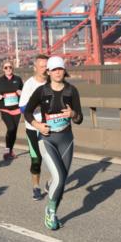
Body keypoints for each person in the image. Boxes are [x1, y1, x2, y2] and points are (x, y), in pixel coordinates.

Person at [23, 56, 82, 231]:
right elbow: (27, 112)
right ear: (48, 72)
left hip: (66, 139)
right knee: (60, 177)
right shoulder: (42, 91)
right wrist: (37, 125)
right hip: (47, 139)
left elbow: (79, 118)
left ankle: (53, 209)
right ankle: (49, 211)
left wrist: (72, 115)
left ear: (64, 71)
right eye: (54, 69)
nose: (57, 72)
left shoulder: (72, 91)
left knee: (62, 180)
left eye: (60, 69)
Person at [20, 54, 49, 200]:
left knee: (54, 158)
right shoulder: (29, 84)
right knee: (36, 159)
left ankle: (50, 182)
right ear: (35, 68)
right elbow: (23, 108)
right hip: (33, 127)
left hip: (51, 126)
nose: (45, 69)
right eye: (42, 66)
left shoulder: (53, 82)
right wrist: (39, 103)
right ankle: (36, 187)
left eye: (46, 66)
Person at [0, 61, 24, 161]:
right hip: (5, 109)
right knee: (11, 128)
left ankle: (10, 151)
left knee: (14, 131)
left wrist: (21, 92)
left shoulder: (18, 79)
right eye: (6, 67)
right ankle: (7, 150)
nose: (8, 69)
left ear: (13, 68)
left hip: (17, 109)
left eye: (10, 67)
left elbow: (24, 92)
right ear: (3, 69)